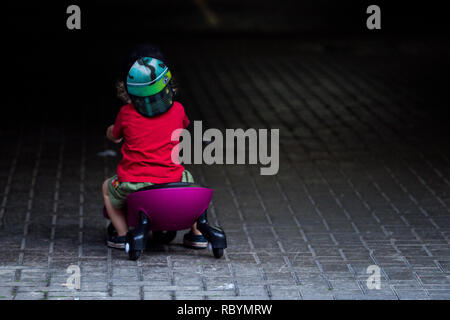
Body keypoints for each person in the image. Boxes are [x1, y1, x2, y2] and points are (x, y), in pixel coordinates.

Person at [102, 49, 207, 250]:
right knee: (190, 182)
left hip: (133, 184)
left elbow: (114, 135)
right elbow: (181, 126)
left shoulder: (126, 113)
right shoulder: (178, 109)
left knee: (107, 188)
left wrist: (112, 132)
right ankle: (197, 233)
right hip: (171, 180)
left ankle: (122, 236)